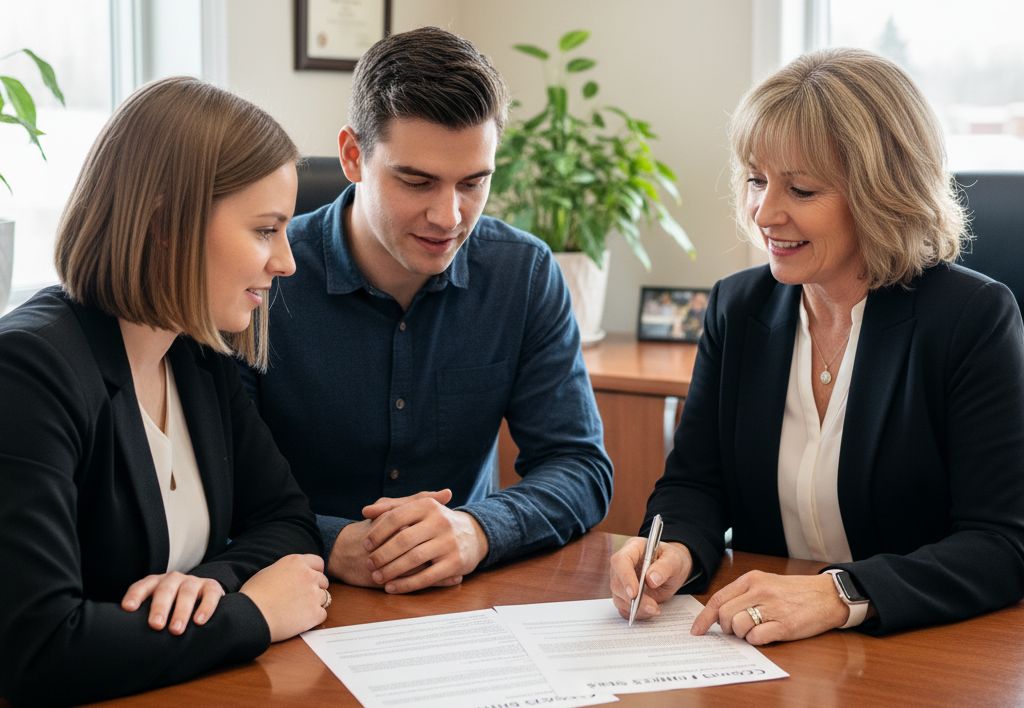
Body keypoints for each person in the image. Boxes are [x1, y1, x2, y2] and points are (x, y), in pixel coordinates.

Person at [609, 48, 1024, 643]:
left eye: (801, 190)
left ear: (883, 192)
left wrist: (840, 593)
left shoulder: (971, 319)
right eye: (756, 180)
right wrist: (673, 546)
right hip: (765, 646)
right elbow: (696, 484)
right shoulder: (736, 307)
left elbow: (1002, 545)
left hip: (918, 649)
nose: (764, 212)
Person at [242, 27, 612, 595]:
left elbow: (579, 467)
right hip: (298, 597)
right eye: (416, 181)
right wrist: (329, 540)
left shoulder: (525, 274)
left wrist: (477, 529)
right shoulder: (262, 278)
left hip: (462, 603)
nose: (448, 216)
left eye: (473, 183)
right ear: (352, 156)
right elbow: (216, 484)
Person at [0, 77, 330, 705]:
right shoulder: (27, 371)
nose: (286, 262)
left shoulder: (196, 356)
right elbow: (37, 650)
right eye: (265, 230)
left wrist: (214, 583)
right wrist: (251, 615)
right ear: (163, 224)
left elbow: (287, 520)